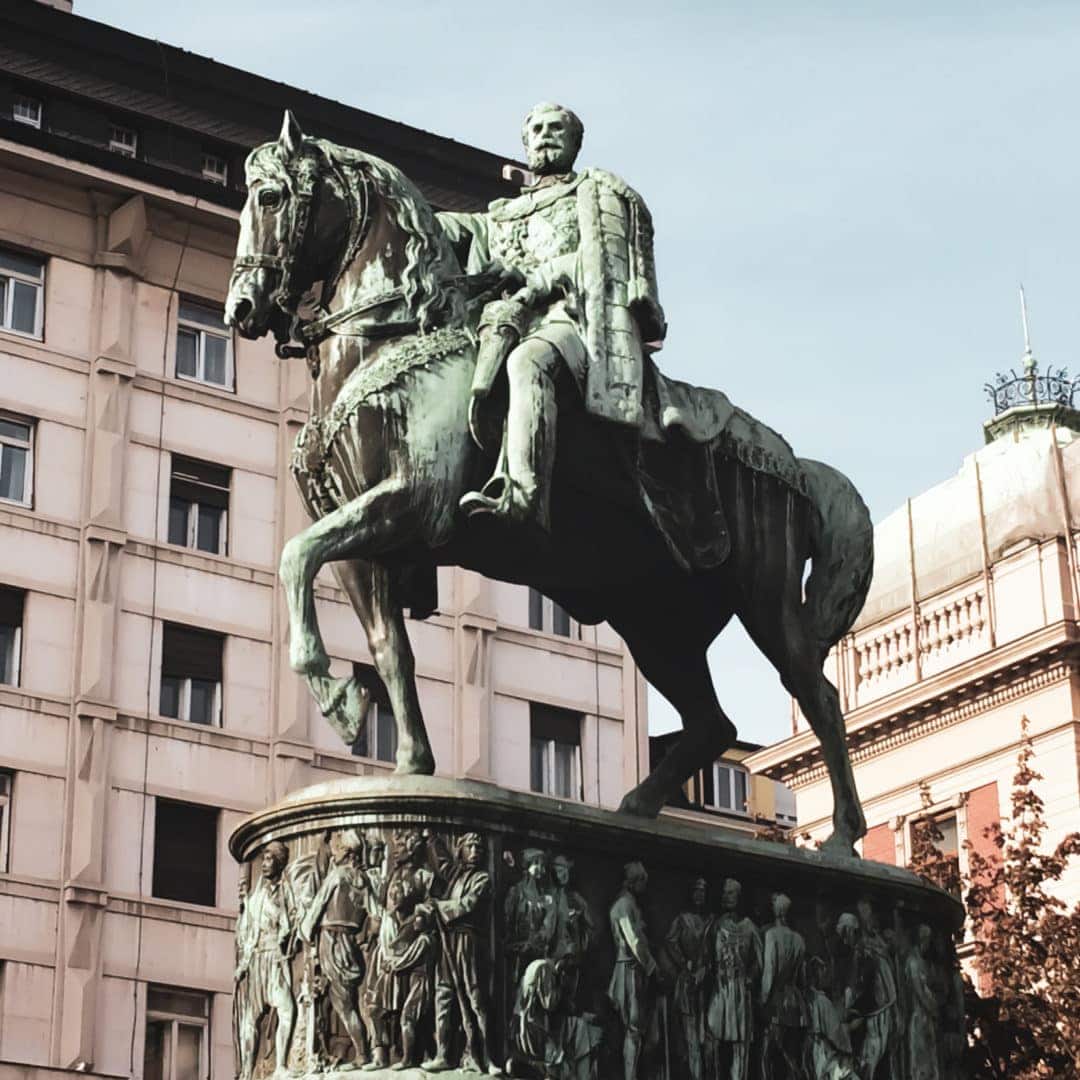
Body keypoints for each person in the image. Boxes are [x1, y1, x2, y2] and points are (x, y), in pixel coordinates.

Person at [439, 102, 665, 531]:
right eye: (536, 129)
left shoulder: (595, 199)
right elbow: (455, 229)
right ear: (525, 143)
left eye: (556, 128)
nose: (545, 135)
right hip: (504, 323)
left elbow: (602, 262)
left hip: (571, 322)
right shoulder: (499, 215)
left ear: (575, 142)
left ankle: (521, 494)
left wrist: (537, 280)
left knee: (527, 362)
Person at [420, 833, 499, 1074]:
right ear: (461, 850)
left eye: (479, 847)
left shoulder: (482, 879)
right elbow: (443, 863)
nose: (475, 851)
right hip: (448, 942)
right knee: (443, 996)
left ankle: (487, 1057)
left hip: (468, 943)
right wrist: (432, 839)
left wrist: (438, 906)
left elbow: (469, 904)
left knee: (475, 1000)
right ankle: (443, 1054)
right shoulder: (456, 874)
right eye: (470, 847)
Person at [298, 829, 371, 1070]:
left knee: (343, 1004)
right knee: (340, 1001)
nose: (334, 854)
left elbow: (318, 903)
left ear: (349, 853)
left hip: (331, 940)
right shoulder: (364, 881)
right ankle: (334, 1048)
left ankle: (361, 1054)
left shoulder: (338, 876)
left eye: (338, 850)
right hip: (350, 944)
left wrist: (305, 932)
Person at [234, 841, 297, 1080]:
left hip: (275, 958)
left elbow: (292, 920)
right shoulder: (256, 897)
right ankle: (247, 1072)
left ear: (280, 863)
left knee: (287, 1010)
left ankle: (280, 1064)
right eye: (264, 859)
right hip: (260, 959)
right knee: (251, 1018)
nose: (264, 864)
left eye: (270, 859)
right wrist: (242, 966)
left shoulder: (284, 891)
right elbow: (246, 934)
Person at [706, 878, 761, 1080]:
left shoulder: (750, 928)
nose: (726, 896)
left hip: (740, 992)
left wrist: (751, 978)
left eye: (730, 893)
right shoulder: (717, 926)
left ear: (739, 896)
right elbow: (707, 956)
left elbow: (758, 961)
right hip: (721, 990)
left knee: (741, 1044)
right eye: (725, 892)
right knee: (713, 1038)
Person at [607, 861, 658, 1080]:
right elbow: (635, 941)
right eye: (642, 882)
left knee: (636, 1029)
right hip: (629, 969)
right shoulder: (624, 905)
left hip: (633, 969)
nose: (644, 888)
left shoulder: (631, 904)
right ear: (633, 881)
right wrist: (653, 968)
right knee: (633, 1028)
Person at [665, 878, 712, 1080]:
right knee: (690, 1038)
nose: (699, 895)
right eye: (696, 891)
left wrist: (706, 968)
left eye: (703, 891)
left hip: (709, 984)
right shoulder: (682, 919)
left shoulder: (711, 920)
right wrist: (685, 964)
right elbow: (671, 942)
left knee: (708, 1040)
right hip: (688, 983)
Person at [759, 893, 808, 1080]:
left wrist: (763, 1000)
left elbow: (769, 973)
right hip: (795, 1002)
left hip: (777, 1002)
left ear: (777, 911)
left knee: (766, 1054)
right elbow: (801, 977)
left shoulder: (772, 935)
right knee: (790, 1053)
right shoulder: (799, 940)